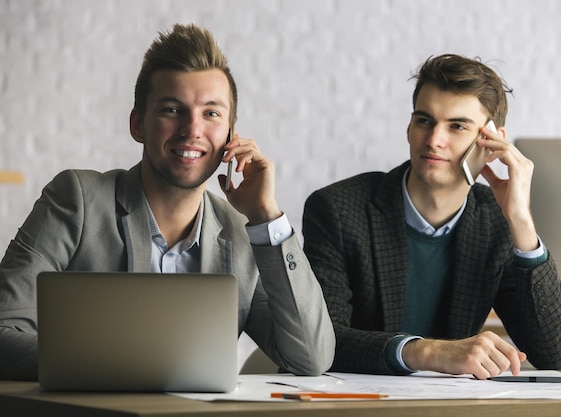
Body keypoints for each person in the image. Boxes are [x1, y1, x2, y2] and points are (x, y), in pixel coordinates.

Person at [0, 23, 334, 380]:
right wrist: (128, 368)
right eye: (173, 110)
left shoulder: (243, 235)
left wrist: (267, 217)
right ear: (138, 124)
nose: (192, 129)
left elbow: (310, 358)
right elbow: (5, 333)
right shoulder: (77, 201)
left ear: (230, 137)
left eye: (211, 113)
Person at [302, 54, 561, 379]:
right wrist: (429, 352)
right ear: (409, 126)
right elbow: (322, 343)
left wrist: (520, 220)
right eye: (424, 120)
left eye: (457, 126)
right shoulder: (336, 210)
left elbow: (554, 352)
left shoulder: (496, 222)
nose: (434, 140)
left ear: (492, 140)